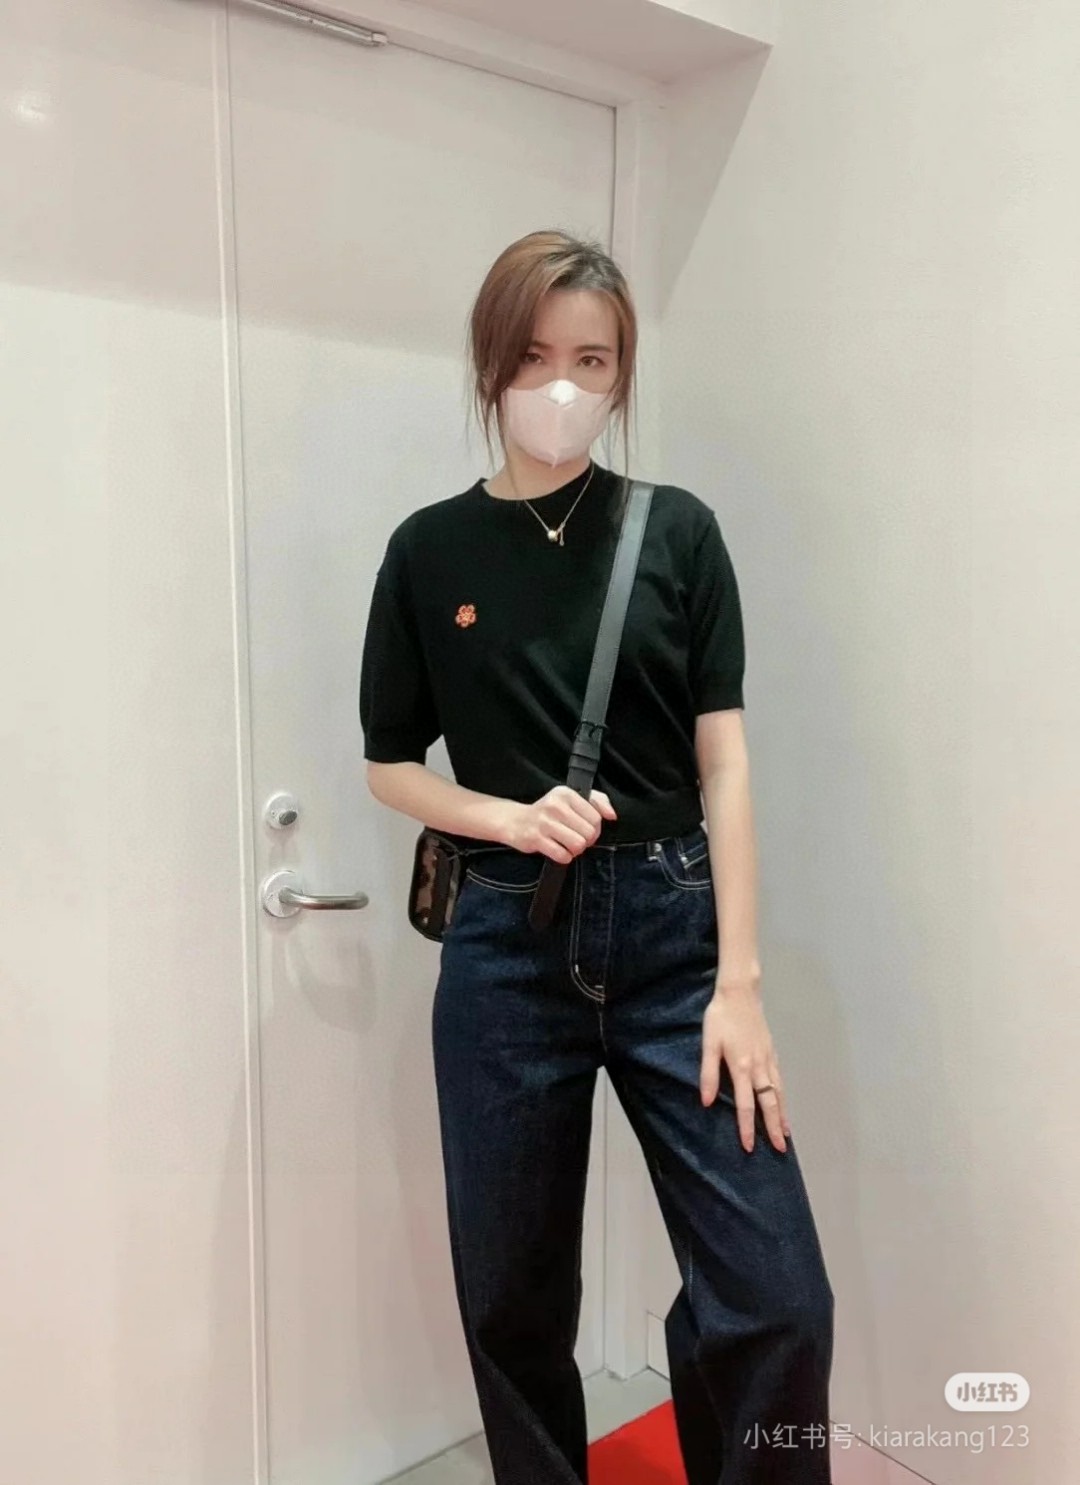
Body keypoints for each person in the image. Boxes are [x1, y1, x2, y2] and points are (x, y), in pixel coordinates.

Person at [358, 229, 834, 1484]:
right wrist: (507, 818)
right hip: (506, 941)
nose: (561, 387)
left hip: (678, 941)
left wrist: (741, 985)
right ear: (489, 364)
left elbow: (725, 766)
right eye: (533, 357)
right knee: (512, 1298)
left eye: (592, 360)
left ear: (622, 374)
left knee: (775, 1296)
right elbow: (388, 764)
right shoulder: (428, 552)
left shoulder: (677, 533)